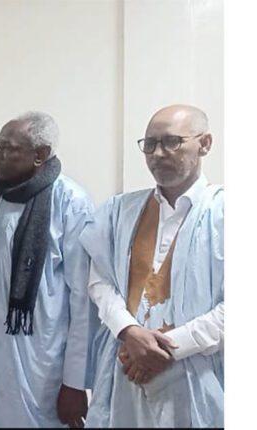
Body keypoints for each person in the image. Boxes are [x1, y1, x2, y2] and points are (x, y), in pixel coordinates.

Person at [80, 105, 224, 427]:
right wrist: (129, 331)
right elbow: (99, 281)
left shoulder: (226, 214)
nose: (158, 154)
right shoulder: (121, 210)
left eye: (172, 142)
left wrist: (167, 349)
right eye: (150, 144)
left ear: (204, 143)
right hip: (126, 370)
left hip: (196, 377)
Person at [0, 112, 97, 428]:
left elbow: (83, 298)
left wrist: (75, 382)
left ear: (40, 155)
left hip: (40, 355)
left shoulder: (71, 201)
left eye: (8, 148)